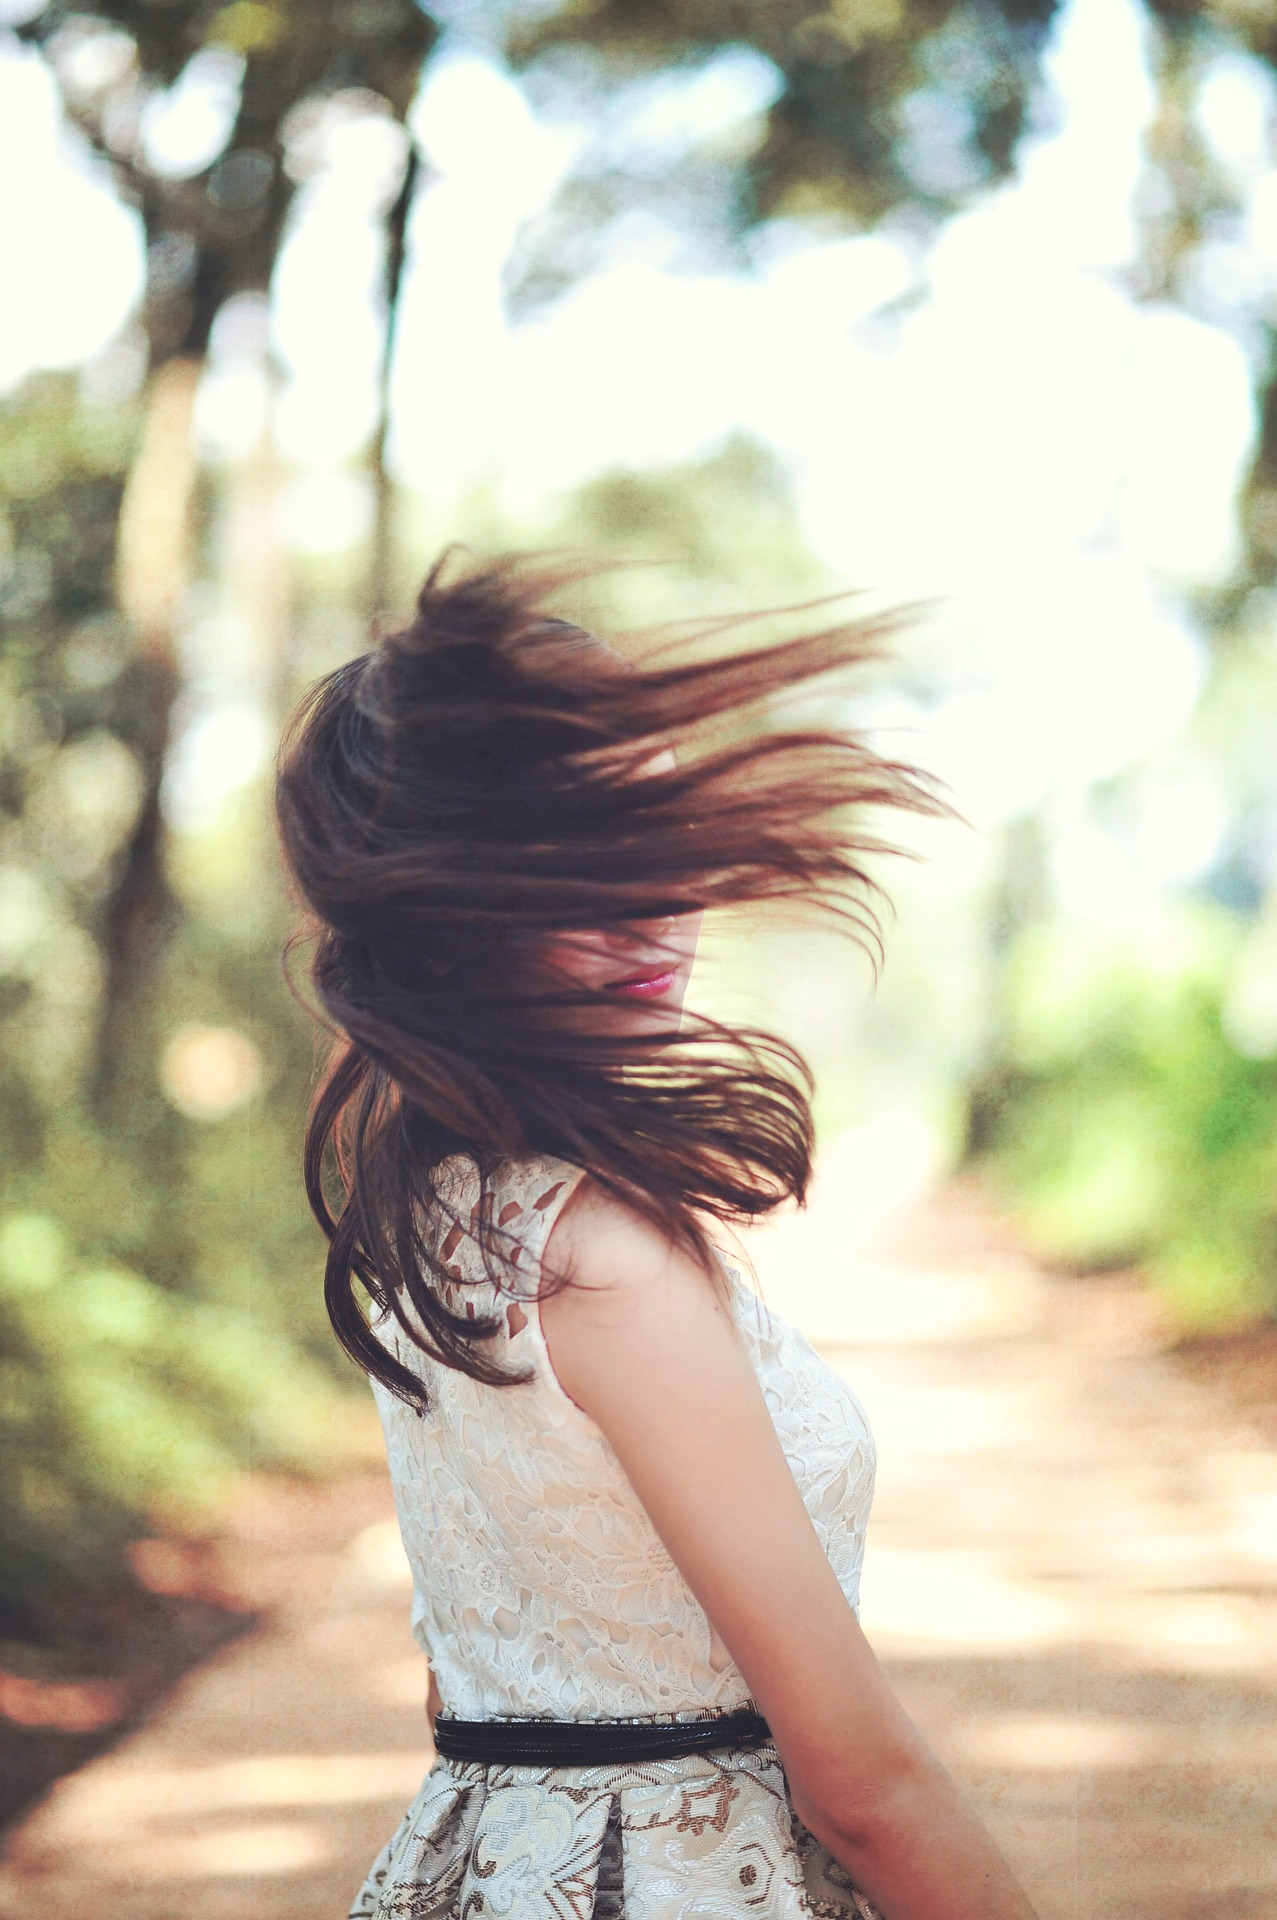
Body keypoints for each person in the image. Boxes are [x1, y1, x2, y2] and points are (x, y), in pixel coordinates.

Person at [274, 551, 1039, 1920]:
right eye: (559, 866)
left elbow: (477, 1671)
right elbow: (860, 1782)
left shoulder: (434, 1209)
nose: (644, 904)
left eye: (643, 838)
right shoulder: (602, 1253)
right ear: (447, 909)